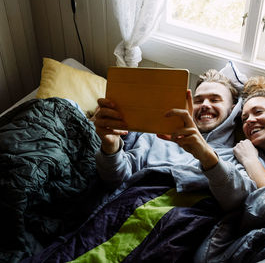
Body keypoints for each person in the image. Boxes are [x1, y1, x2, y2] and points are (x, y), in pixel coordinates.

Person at [94, 69, 256, 211]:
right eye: (198, 100)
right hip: (126, 207)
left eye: (215, 100)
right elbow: (117, 180)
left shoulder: (240, 153)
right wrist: (111, 147)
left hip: (179, 223)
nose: (205, 105)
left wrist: (207, 156)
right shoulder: (158, 135)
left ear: (233, 108)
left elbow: (241, 201)